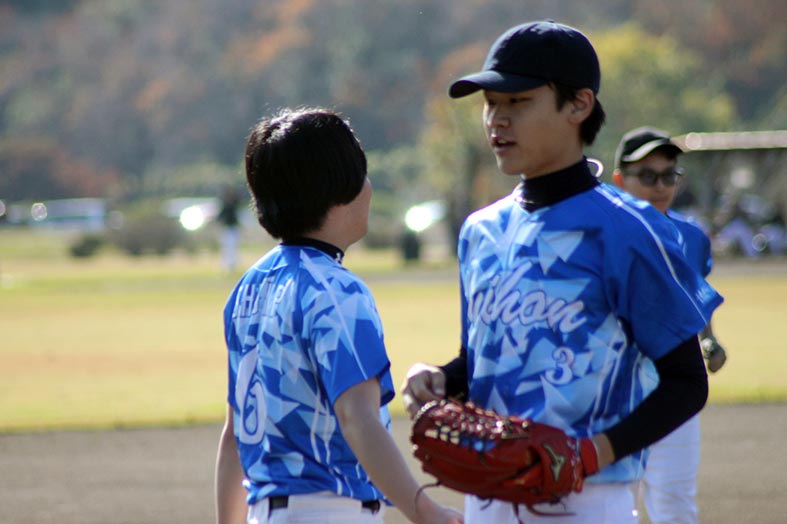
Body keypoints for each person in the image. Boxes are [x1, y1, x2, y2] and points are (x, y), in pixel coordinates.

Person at [401, 20, 723, 524]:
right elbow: (481, 361)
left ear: (578, 105)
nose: (497, 119)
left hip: (586, 500)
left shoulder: (627, 230)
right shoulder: (480, 231)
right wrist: (439, 377)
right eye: (491, 103)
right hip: (487, 496)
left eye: (518, 101)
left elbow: (686, 382)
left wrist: (591, 454)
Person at [214, 107, 463, 524]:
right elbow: (356, 416)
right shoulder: (338, 291)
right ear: (339, 188)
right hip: (330, 509)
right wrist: (426, 511)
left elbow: (234, 435)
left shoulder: (248, 288)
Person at [612, 127, 728, 524]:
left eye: (669, 175)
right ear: (619, 179)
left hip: (673, 388)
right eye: (647, 175)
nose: (660, 186)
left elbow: (693, 299)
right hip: (613, 391)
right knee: (614, 504)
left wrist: (709, 339)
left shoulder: (691, 236)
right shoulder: (601, 235)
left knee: (675, 507)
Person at [217, 185, 242, 273]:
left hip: (233, 228)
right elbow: (220, 216)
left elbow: (238, 201)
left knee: (233, 246)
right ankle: (227, 264)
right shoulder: (225, 205)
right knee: (227, 247)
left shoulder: (233, 205)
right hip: (227, 228)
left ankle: (233, 264)